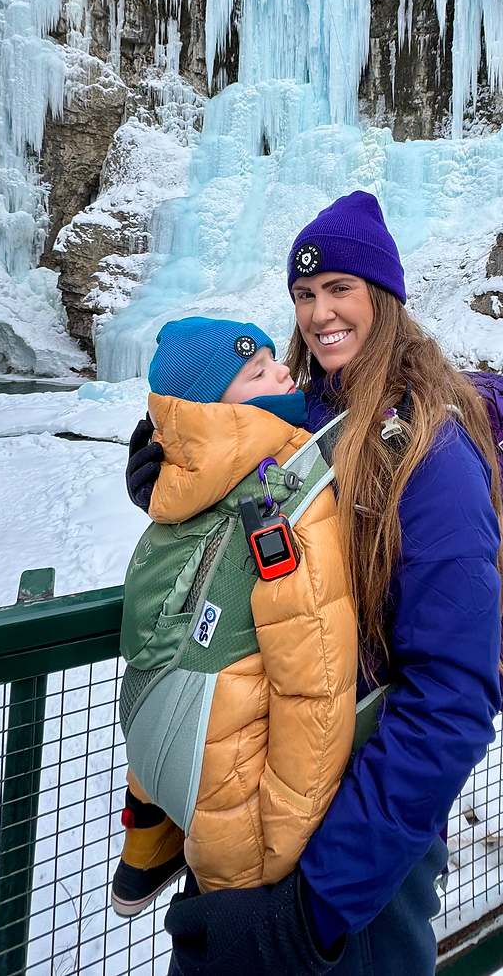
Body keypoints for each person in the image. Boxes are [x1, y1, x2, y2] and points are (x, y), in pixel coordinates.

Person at [162, 191, 503, 976]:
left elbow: (451, 699)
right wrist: (163, 459)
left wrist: (315, 909)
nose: (320, 313)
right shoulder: (311, 415)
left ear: (383, 296)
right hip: (264, 800)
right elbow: (229, 445)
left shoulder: (432, 458)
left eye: (340, 287)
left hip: (354, 866)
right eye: (305, 293)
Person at [113, 317, 357, 917]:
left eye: (274, 360)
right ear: (216, 409)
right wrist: (285, 841)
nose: (285, 371)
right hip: (250, 823)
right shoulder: (286, 493)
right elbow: (316, 685)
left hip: (181, 766)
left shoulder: (180, 484)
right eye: (258, 372)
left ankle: (149, 853)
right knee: (236, 944)